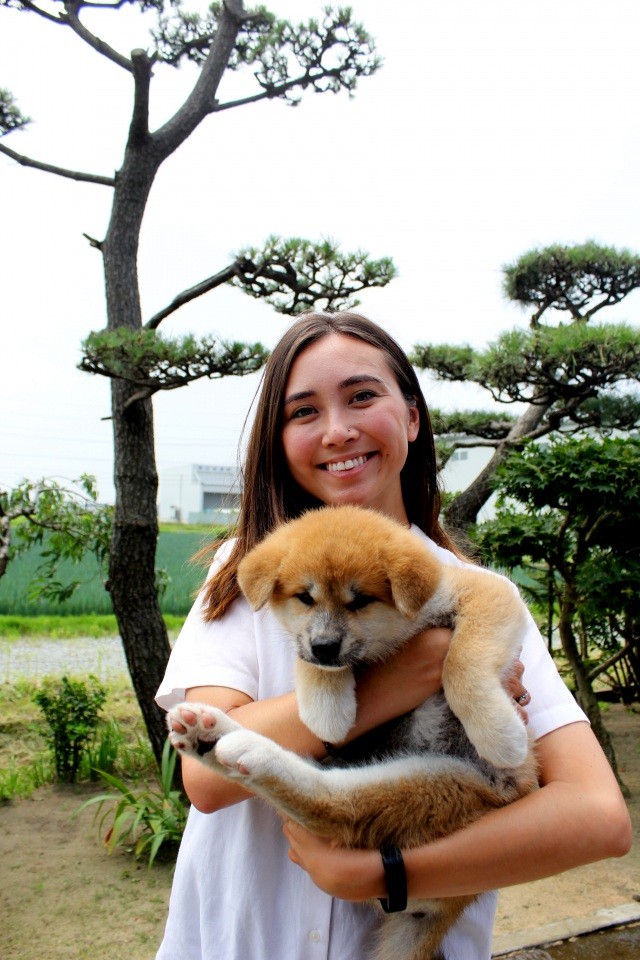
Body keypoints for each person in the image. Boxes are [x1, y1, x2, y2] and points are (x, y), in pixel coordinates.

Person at [155, 311, 631, 960]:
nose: (338, 429)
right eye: (302, 412)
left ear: (412, 416)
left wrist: (384, 872)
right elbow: (207, 778)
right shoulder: (253, 569)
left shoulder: (479, 596)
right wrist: (411, 674)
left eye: (361, 396)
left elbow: (598, 818)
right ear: (277, 437)